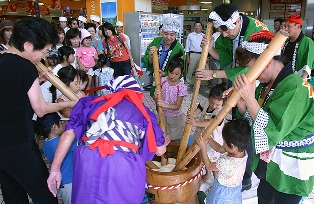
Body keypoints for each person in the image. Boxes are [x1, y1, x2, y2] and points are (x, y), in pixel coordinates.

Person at [47, 75, 170, 204]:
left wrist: (55, 170)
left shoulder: (91, 103)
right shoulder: (143, 113)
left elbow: (67, 134)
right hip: (122, 165)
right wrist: (162, 144)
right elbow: (160, 151)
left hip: (88, 160)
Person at [231, 31, 314, 203]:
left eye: (252, 68)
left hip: (291, 165)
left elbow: (272, 130)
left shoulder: (294, 88)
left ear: (267, 63)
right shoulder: (266, 85)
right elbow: (257, 118)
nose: (251, 75)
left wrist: (249, 98)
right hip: (271, 161)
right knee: (265, 197)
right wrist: (243, 106)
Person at [0, 16, 75, 204]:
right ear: (27, 46)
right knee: (45, 195)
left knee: (13, 196)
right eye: (44, 50)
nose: (43, 56)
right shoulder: (26, 67)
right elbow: (40, 109)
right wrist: (68, 104)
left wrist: (36, 81)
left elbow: (11, 91)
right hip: (19, 144)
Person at [199, 3, 268, 88]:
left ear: (238, 21)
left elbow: (252, 67)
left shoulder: (256, 32)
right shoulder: (229, 32)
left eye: (227, 31)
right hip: (240, 79)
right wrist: (210, 49)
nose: (224, 35)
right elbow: (226, 56)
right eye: (220, 32)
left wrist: (214, 74)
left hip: (260, 80)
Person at [197, 119, 251, 204]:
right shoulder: (242, 152)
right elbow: (218, 148)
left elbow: (209, 166)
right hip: (235, 190)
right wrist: (209, 138)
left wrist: (203, 148)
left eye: (224, 141)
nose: (223, 143)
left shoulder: (225, 162)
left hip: (221, 193)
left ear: (232, 146)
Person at [38, 112, 76, 204]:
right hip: (68, 182)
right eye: (61, 123)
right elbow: (76, 136)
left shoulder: (45, 144)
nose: (64, 124)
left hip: (56, 182)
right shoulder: (63, 142)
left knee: (60, 201)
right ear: (54, 127)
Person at [143, 17, 186, 96]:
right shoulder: (156, 41)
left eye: (172, 35)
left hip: (171, 82)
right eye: (166, 34)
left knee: (169, 102)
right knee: (157, 99)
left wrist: (164, 73)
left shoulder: (179, 48)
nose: (168, 37)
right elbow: (146, 59)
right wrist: (151, 57)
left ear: (176, 34)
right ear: (162, 32)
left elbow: (180, 68)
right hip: (157, 79)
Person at [154, 54, 188, 141]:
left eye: (177, 74)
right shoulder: (163, 81)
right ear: (168, 70)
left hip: (175, 118)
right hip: (163, 115)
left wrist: (165, 105)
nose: (173, 76)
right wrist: (156, 96)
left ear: (181, 73)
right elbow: (156, 99)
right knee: (163, 137)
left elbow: (177, 106)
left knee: (174, 139)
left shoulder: (181, 87)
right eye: (171, 72)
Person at [282, 14, 314, 81]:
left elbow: (308, 63)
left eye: (289, 26)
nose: (286, 29)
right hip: (284, 76)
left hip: (298, 79)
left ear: (298, 26)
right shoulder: (287, 41)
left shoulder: (307, 42)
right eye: (285, 26)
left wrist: (302, 81)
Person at [185, 21, 204, 87]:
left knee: (200, 71)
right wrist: (187, 57)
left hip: (202, 55)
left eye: (199, 26)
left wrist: (206, 57)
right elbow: (187, 47)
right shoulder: (190, 35)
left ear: (201, 27)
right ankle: (187, 84)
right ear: (194, 27)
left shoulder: (204, 36)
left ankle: (197, 85)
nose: (197, 27)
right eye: (196, 26)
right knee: (190, 70)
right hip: (193, 54)